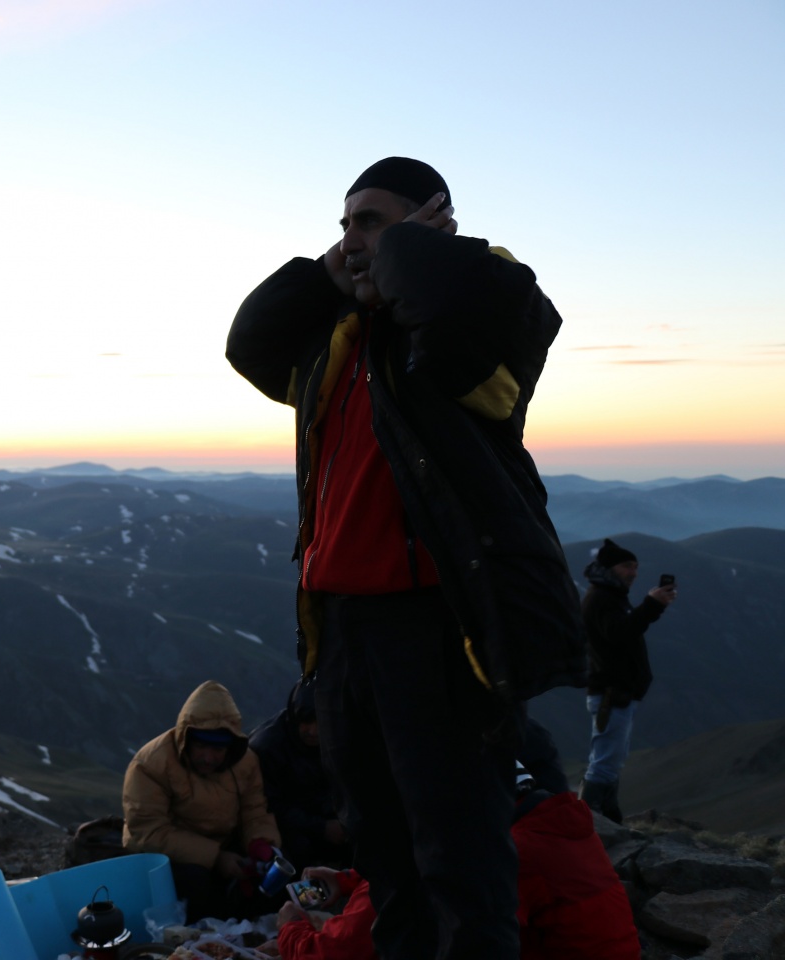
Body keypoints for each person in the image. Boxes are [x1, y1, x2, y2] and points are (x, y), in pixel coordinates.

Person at [226, 157, 585, 959]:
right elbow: (247, 343)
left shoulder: (474, 313)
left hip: (434, 628)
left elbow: (463, 313)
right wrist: (334, 271)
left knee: (459, 857)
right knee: (383, 852)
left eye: (372, 222)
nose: (352, 239)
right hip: (343, 636)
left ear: (434, 222)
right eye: (343, 224)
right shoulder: (337, 348)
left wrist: (408, 253)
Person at [272, 766, 640, 960]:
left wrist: (291, 931)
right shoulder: (545, 823)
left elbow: (341, 952)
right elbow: (427, 872)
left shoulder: (507, 855)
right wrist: (351, 879)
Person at [121, 679, 281, 922]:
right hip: (167, 856)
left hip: (223, 848)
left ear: (230, 746)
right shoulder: (150, 764)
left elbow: (255, 810)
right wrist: (215, 858)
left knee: (274, 876)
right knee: (196, 881)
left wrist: (261, 845)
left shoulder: (245, 761)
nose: (208, 758)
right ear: (186, 738)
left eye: (218, 749)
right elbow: (148, 833)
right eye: (200, 746)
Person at [581, 537, 677, 822]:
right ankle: (589, 821)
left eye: (635, 566)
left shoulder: (609, 595)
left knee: (612, 760)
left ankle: (610, 819)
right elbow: (620, 634)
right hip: (612, 693)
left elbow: (624, 631)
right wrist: (651, 605)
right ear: (610, 568)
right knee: (604, 763)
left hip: (619, 693)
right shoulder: (601, 598)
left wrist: (651, 606)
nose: (633, 572)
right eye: (627, 566)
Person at [248, 678, 350, 870]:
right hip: (284, 828)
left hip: (320, 816)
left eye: (320, 723)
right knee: (298, 849)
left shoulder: (336, 738)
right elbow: (266, 806)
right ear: (295, 716)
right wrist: (321, 828)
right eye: (306, 721)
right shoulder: (268, 748)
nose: (313, 731)